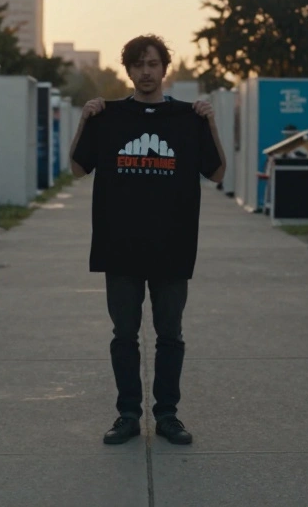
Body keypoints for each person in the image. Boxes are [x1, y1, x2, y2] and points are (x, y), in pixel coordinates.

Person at [69, 35, 225, 447]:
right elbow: (76, 168)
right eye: (138, 64)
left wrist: (210, 123)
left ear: (164, 68)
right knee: (124, 334)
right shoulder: (108, 116)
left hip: (172, 246)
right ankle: (127, 415)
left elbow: (219, 173)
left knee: (170, 335)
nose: (145, 72)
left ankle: (168, 415)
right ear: (128, 70)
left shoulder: (188, 118)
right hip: (119, 247)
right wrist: (84, 120)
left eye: (153, 63)